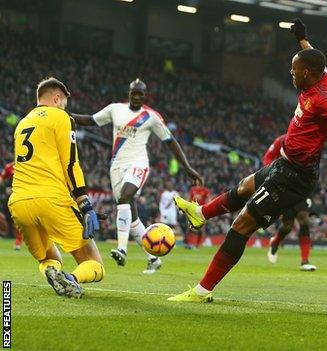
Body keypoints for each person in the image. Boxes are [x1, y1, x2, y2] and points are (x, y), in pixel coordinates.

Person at [168, 19, 327, 302]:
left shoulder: (322, 99)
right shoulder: (322, 76)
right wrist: (302, 40)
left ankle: (202, 291)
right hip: (284, 164)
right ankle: (200, 215)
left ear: (307, 73)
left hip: (294, 177)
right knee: (245, 186)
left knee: (240, 226)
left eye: (294, 69)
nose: (291, 73)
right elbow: (316, 57)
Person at [72, 79, 203, 274]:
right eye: (134, 93)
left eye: (141, 94)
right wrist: (64, 115)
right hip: (116, 166)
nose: (137, 97)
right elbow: (91, 120)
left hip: (138, 164)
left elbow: (170, 142)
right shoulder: (115, 109)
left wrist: (187, 167)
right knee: (130, 217)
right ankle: (153, 258)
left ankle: (122, 249)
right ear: (129, 93)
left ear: (145, 95)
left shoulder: (150, 117)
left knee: (125, 197)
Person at [9, 77, 105, 298]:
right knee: (95, 264)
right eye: (64, 104)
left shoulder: (22, 123)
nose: (65, 108)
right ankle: (71, 280)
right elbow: (71, 164)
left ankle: (54, 273)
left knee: (49, 258)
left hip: (19, 203)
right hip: (52, 200)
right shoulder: (61, 117)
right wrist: (85, 203)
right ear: (56, 98)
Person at [264, 134, 316, 271]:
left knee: (304, 219)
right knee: (288, 226)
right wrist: (275, 173)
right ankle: (275, 241)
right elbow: (267, 158)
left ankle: (305, 261)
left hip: (300, 187)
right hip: (283, 187)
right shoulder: (281, 140)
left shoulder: (309, 142)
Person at [0, 161, 23, 250]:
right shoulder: (9, 167)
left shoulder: (27, 166)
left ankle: (18, 241)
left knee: (17, 220)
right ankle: (11, 236)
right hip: (9, 198)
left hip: (21, 196)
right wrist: (5, 188)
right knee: (8, 219)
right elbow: (2, 178)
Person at [185, 183, 211, 248]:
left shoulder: (205, 190)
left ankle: (198, 245)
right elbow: (189, 199)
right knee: (189, 228)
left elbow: (208, 200)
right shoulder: (192, 189)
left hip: (202, 211)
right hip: (193, 211)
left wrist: (208, 211)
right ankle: (189, 244)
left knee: (201, 230)